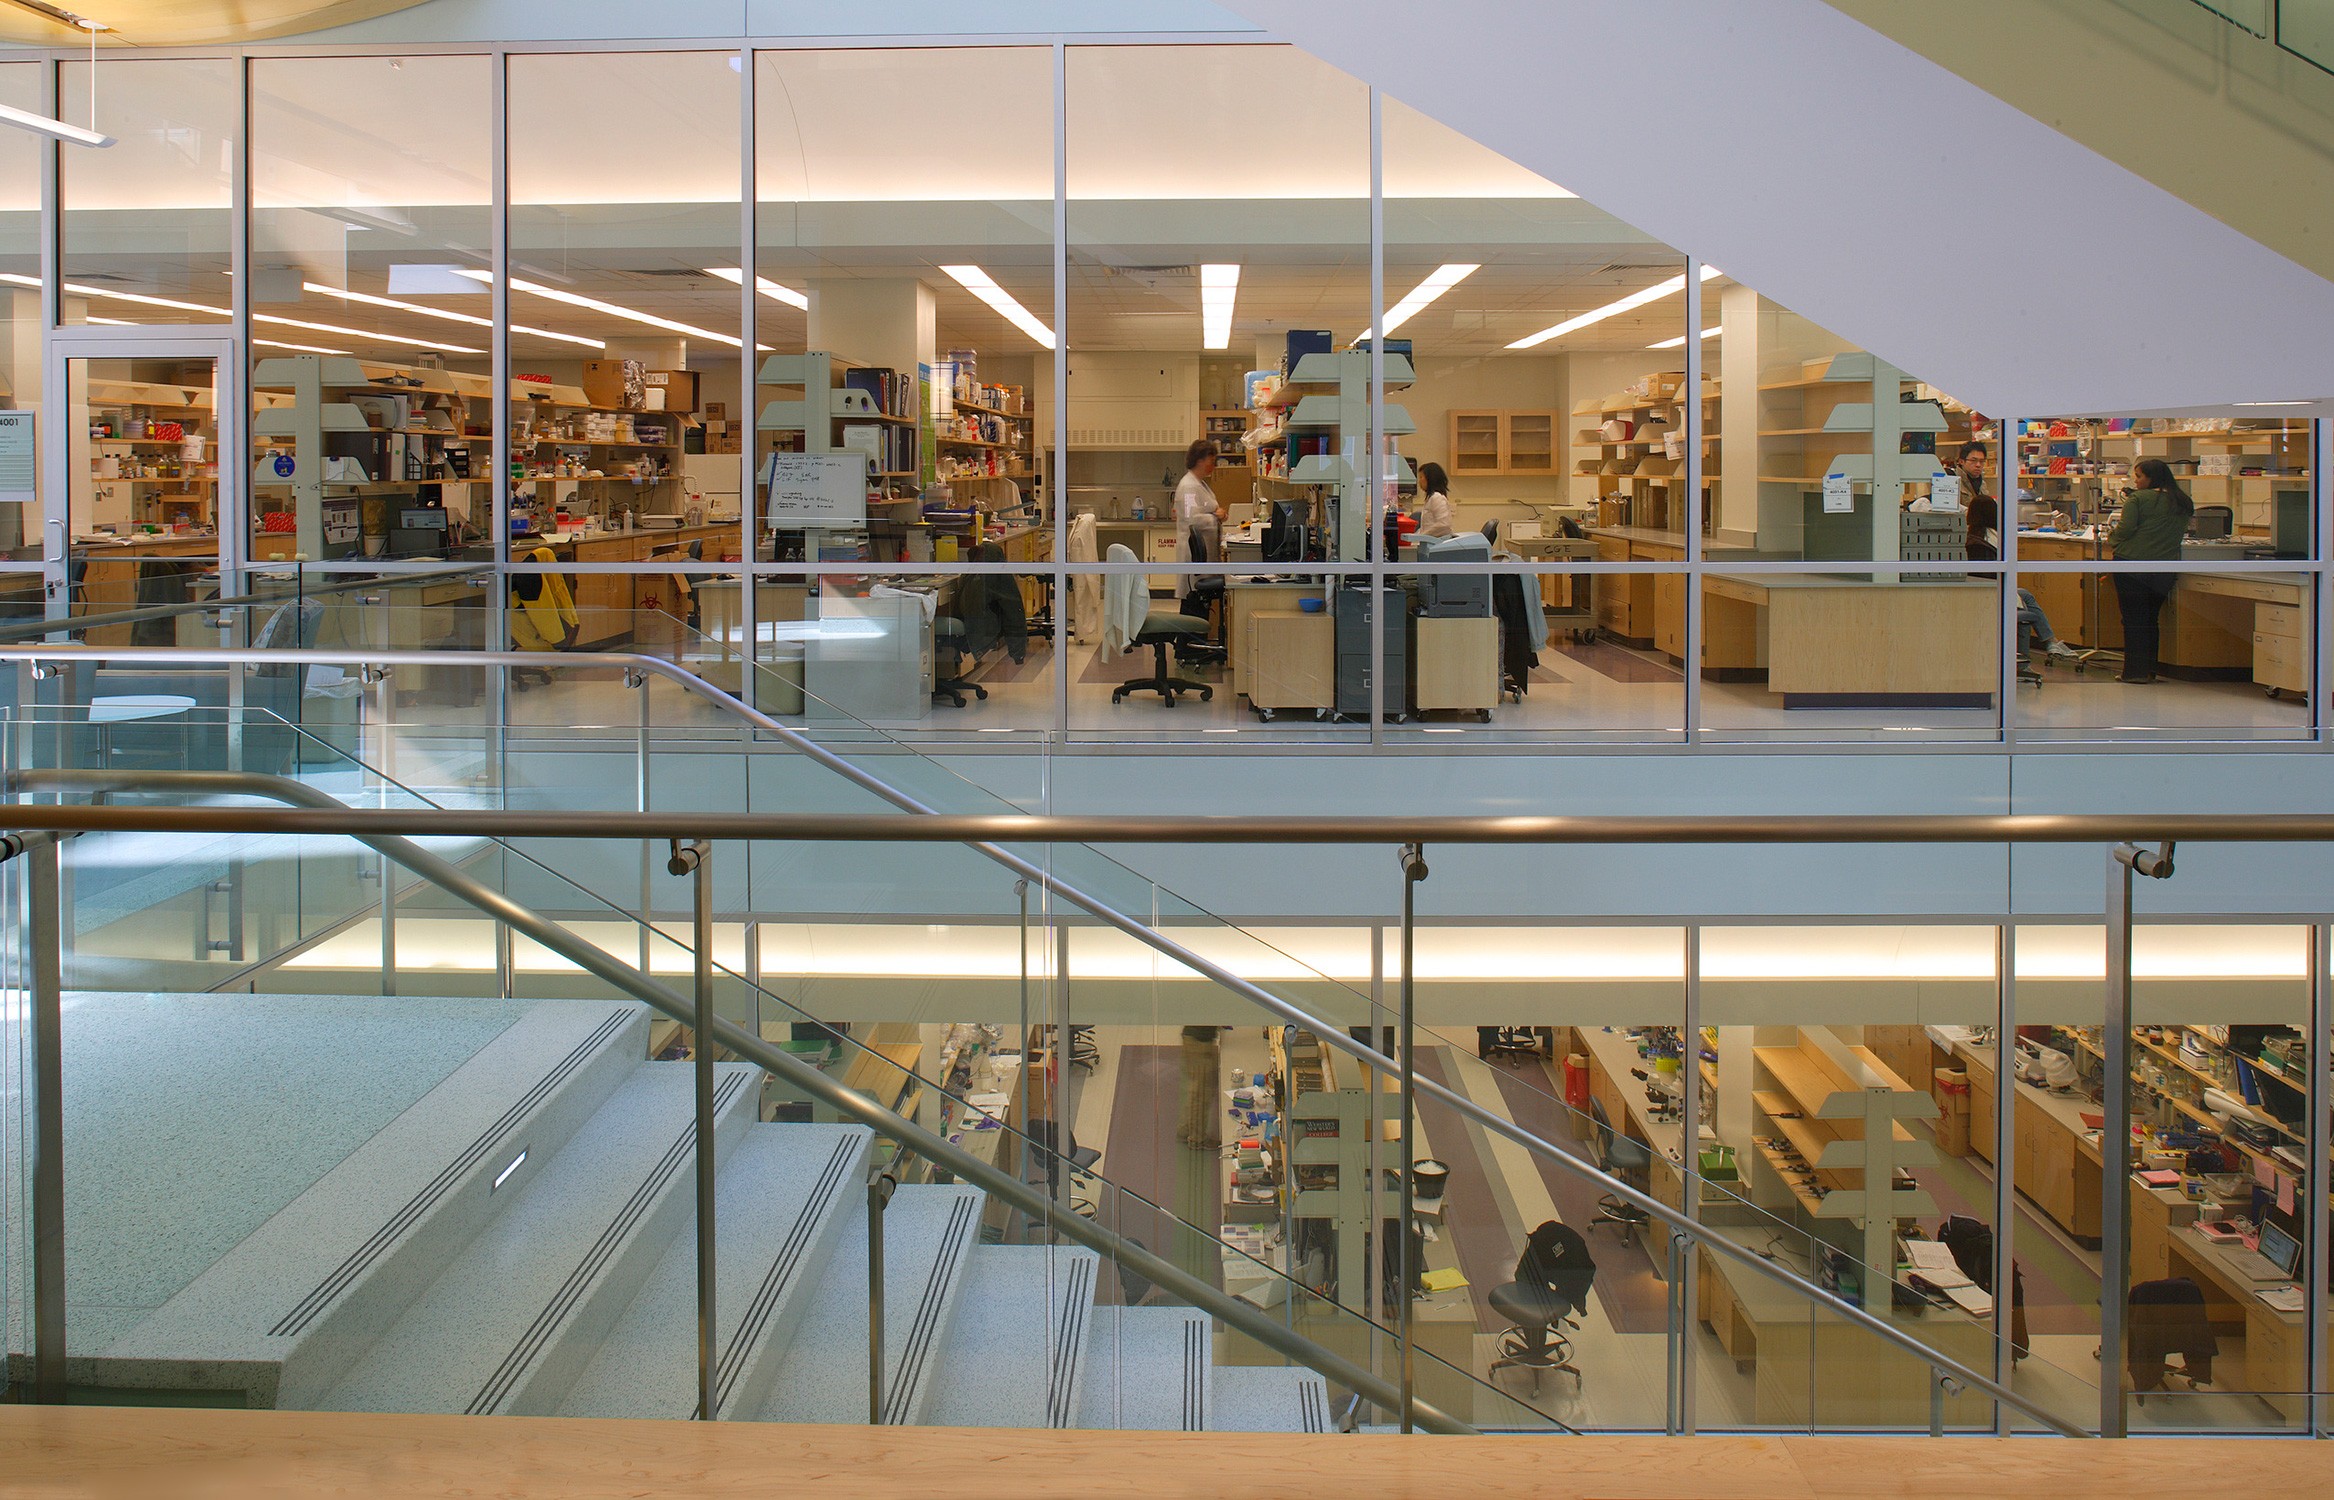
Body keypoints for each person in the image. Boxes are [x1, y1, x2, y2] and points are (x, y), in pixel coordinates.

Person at [2108, 456, 2194, 684]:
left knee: (2133, 619)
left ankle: (2133, 672)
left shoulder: (2138, 499)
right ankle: (2149, 670)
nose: (2135, 481)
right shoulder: (2183, 501)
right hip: (2164, 568)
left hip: (2132, 564)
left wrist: (2112, 540)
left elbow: (2125, 528)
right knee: (2150, 619)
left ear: (2151, 478)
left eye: (2138, 476)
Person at [1173, 439, 1225, 564]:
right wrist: (1215, 517)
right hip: (1194, 552)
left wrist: (1220, 514)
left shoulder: (1199, 483)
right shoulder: (1189, 486)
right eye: (1211, 461)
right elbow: (1192, 519)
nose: (1214, 465)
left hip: (1204, 549)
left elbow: (1208, 509)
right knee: (1195, 583)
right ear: (1200, 461)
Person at [1178, 1024, 1222, 1150]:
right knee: (1201, 1094)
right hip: (1200, 1043)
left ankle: (1187, 1128)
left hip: (1195, 1039)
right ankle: (1197, 1139)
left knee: (1198, 1089)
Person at [1955, 442, 2000, 562]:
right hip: (1959, 541)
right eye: (1973, 461)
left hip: (1980, 540)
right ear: (1961, 461)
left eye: (1982, 461)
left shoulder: (1982, 484)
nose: (1978, 465)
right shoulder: (1952, 483)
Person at [1415, 461, 1457, 539]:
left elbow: (1444, 525)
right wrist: (1417, 536)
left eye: (1421, 477)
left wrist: (1422, 536)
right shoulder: (1431, 498)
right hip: (1432, 542)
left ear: (1430, 479)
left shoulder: (1437, 498)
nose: (1419, 481)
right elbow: (1427, 527)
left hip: (1437, 544)